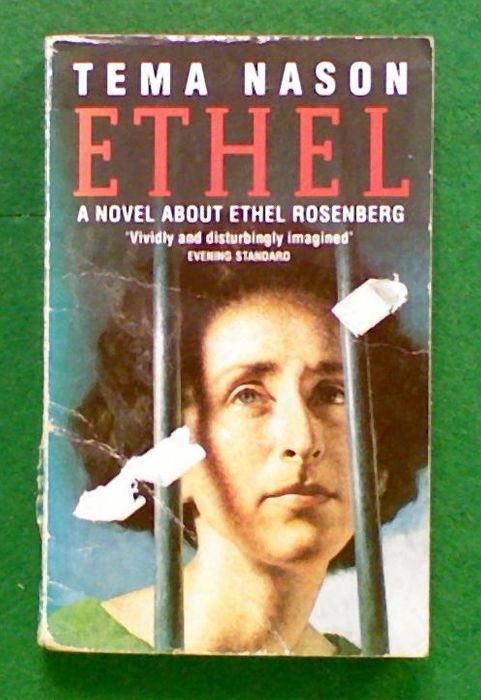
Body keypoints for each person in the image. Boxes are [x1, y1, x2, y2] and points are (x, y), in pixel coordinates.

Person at [49, 249, 428, 655]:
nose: (302, 441)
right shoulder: (77, 647)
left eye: (332, 393)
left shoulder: (365, 673)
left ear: (381, 465)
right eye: (248, 395)